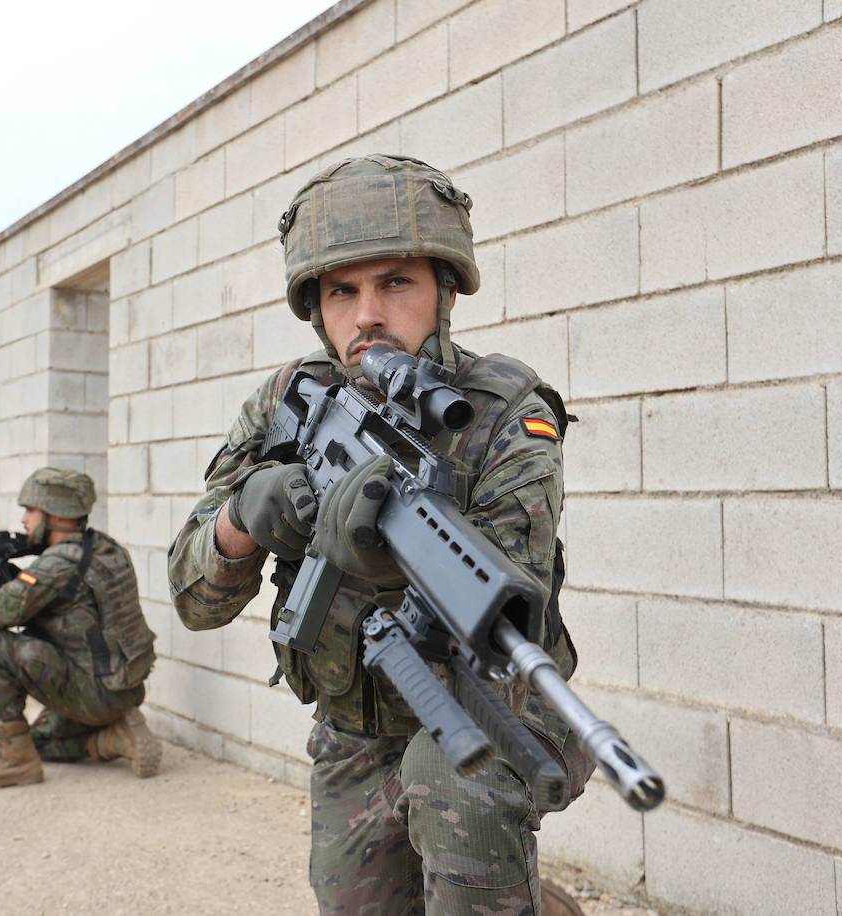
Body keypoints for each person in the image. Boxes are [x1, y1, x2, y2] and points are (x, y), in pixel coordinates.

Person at [168, 154, 594, 916]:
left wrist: (380, 553)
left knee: (456, 790)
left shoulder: (504, 410)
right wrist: (245, 517)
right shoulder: (288, 402)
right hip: (354, 721)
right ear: (316, 306)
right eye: (342, 290)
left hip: (493, 708)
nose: (367, 315)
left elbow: (507, 606)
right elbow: (191, 598)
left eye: (395, 282)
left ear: (447, 290)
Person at [0, 467, 160, 791]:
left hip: (95, 695)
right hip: (125, 688)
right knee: (38, 743)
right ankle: (114, 738)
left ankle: (15, 763)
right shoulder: (105, 547)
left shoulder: (55, 565)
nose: (23, 520)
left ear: (54, 514)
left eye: (30, 510)